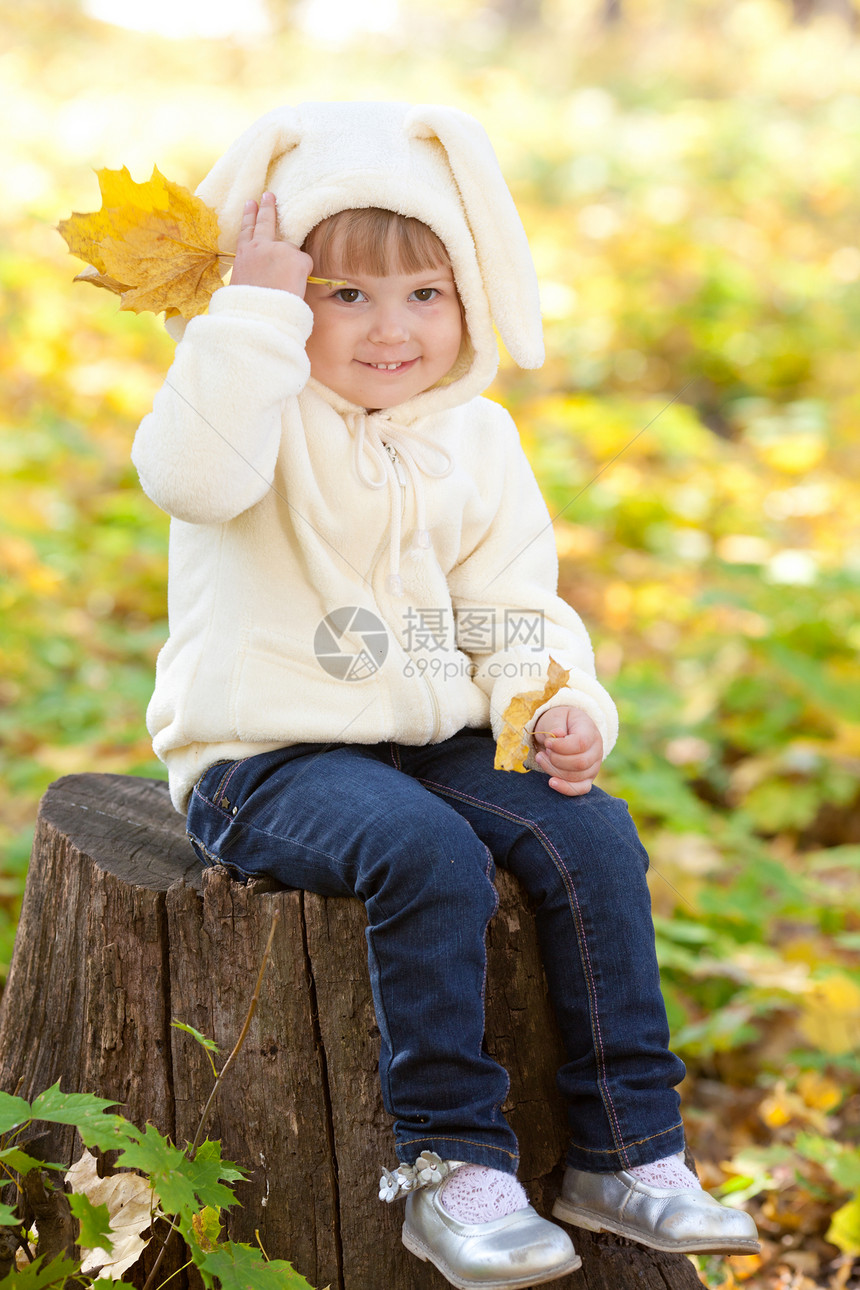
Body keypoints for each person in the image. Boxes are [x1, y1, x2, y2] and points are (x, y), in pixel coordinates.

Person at [132, 101, 759, 1288]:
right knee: (423, 853)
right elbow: (190, 480)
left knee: (588, 833)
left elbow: (512, 607)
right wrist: (251, 312)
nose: (390, 329)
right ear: (283, 297)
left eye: (425, 293)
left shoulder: (476, 439)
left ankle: (625, 1152)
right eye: (343, 294)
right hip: (265, 758)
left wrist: (551, 702)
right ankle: (450, 1165)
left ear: (470, 294)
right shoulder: (247, 407)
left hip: (433, 737)